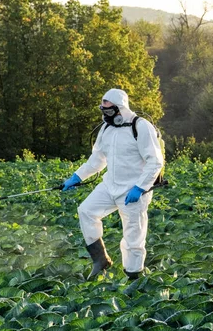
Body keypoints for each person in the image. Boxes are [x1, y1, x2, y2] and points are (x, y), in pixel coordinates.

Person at [62, 88, 164, 280]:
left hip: (134, 190)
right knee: (86, 211)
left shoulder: (141, 127)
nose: (105, 115)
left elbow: (155, 161)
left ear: (120, 109)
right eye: (103, 110)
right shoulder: (106, 129)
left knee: (133, 236)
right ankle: (100, 259)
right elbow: (97, 160)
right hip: (110, 185)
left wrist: (140, 187)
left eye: (109, 111)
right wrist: (77, 177)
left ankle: (134, 276)